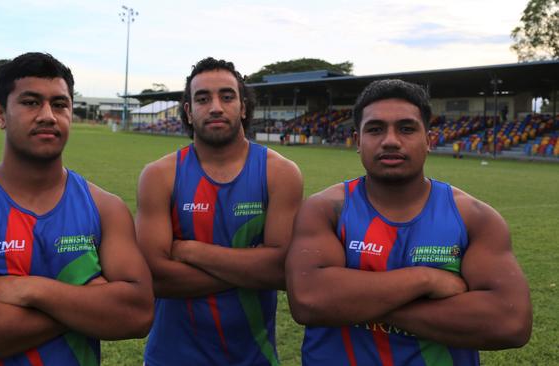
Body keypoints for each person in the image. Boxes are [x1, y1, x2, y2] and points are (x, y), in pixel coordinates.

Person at [0, 52, 154, 365]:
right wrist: (89, 303)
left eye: (60, 104)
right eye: (31, 102)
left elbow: (137, 314)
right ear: (0, 114)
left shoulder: (106, 207)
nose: (48, 115)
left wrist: (31, 291)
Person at [286, 79, 532, 365]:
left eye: (406, 128)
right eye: (375, 129)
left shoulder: (475, 218)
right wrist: (425, 279)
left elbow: (509, 322)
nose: (390, 140)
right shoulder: (326, 209)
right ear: (357, 140)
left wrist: (352, 303)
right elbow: (309, 300)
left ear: (428, 140)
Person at [136, 57, 303, 366]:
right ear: (188, 111)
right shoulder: (159, 175)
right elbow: (155, 277)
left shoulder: (280, 173)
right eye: (202, 98)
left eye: (227, 96)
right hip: (172, 357)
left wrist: (190, 251)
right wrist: (252, 269)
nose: (215, 107)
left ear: (243, 107)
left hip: (254, 357)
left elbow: (281, 269)